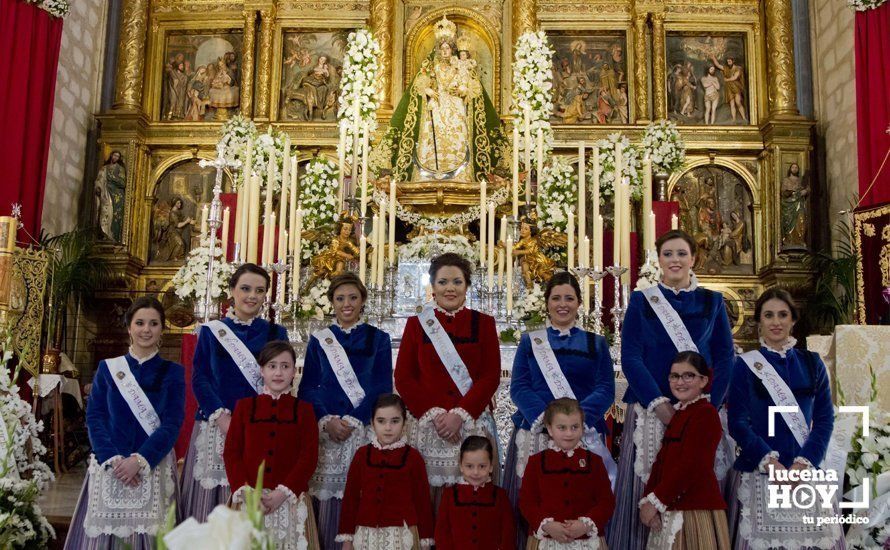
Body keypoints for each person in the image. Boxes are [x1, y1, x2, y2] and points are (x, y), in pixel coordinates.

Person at [608, 229, 735, 550]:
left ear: (693, 258)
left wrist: (708, 404)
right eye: (668, 254)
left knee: (693, 475)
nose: (675, 260)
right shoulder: (642, 300)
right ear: (659, 260)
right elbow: (631, 357)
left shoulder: (712, 301)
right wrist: (659, 404)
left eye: (681, 253)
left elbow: (724, 356)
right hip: (652, 410)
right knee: (647, 480)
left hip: (700, 411)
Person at [728, 288, 844, 549]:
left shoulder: (813, 363)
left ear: (793, 320)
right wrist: (771, 464)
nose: (776, 322)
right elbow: (737, 421)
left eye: (783, 315)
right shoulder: (744, 365)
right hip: (761, 471)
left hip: (805, 471)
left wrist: (804, 464)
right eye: (769, 315)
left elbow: (824, 420)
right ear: (759, 322)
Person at [506, 271, 616, 547]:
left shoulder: (596, 342)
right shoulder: (531, 341)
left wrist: (576, 421)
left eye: (569, 298)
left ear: (579, 302)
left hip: (582, 431)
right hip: (538, 431)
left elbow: (605, 388)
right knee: (537, 500)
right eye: (556, 298)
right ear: (547, 303)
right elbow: (519, 386)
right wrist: (547, 421)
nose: (562, 304)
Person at [65, 297, 184, 550]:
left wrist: (139, 460)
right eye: (139, 322)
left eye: (153, 323)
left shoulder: (173, 372)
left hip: (152, 464)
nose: (146, 329)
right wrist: (111, 458)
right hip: (111, 466)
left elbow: (172, 423)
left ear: (162, 328)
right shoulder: (108, 369)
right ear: (129, 327)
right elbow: (95, 416)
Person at [180, 263, 290, 521]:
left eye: (260, 290)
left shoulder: (276, 332)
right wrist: (221, 417)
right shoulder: (211, 331)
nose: (252, 296)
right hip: (218, 425)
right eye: (245, 288)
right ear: (232, 291)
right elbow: (200, 378)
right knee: (214, 496)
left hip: (261, 427)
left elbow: (281, 377)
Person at [394, 252, 501, 502]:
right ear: (432, 287)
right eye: (442, 282)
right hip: (429, 424)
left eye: (457, 282)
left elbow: (490, 375)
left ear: (467, 286)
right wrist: (436, 415)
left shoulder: (484, 323)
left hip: (471, 422)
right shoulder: (416, 324)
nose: (450, 288)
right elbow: (404, 377)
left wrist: (460, 415)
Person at [298, 272, 394, 548]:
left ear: (363, 300)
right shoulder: (320, 340)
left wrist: (354, 419)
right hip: (327, 432)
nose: (347, 304)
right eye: (340, 298)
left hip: (361, 430)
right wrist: (327, 420)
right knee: (324, 500)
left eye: (353, 297)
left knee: (359, 495)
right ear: (332, 303)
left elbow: (381, 386)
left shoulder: (378, 339)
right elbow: (309, 388)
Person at [224, 340, 320, 549]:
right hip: (249, 500)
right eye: (272, 366)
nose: (278, 372)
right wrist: (247, 492)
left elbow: (309, 457)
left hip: (289, 501)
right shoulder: (244, 407)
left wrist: (282, 493)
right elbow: (232, 453)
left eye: (285, 366)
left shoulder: (304, 410)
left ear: (294, 371)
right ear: (262, 370)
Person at [639, 351, 730, 549]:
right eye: (675, 376)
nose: (680, 382)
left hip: (695, 510)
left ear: (703, 380)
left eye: (688, 375)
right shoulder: (681, 412)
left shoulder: (706, 413)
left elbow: (693, 465)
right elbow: (661, 462)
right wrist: (647, 499)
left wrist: (655, 502)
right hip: (670, 505)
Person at [337, 394, 435, 549]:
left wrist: (425, 541)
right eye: (381, 421)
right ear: (372, 423)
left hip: (402, 536)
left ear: (404, 424)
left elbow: (422, 502)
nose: (388, 427)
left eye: (395, 421)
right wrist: (347, 539)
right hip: (366, 536)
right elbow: (351, 498)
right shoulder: (362, 455)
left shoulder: (414, 458)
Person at [519, 398, 614, 549]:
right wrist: (547, 525)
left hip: (586, 542)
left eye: (575, 427)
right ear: (550, 429)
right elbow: (526, 501)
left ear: (582, 428)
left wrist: (585, 525)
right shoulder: (536, 462)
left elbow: (606, 501)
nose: (569, 433)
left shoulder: (594, 462)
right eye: (562, 428)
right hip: (547, 541)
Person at [435, 436, 515, 550]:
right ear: (461, 466)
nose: (476, 472)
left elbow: (508, 533)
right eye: (469, 466)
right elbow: (442, 533)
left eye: (482, 466)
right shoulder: (449, 495)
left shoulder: (500, 496)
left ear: (491, 466)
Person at [95, 151, 127, 242]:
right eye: (114, 155)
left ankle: (112, 236)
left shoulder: (120, 169)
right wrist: (98, 187)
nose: (115, 157)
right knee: (104, 213)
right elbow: (98, 181)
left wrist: (111, 178)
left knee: (113, 216)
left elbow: (122, 183)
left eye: (117, 156)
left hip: (116, 195)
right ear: (111, 156)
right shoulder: (104, 169)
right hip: (105, 194)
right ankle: (104, 234)